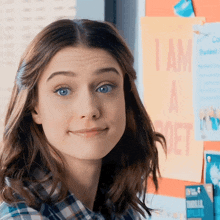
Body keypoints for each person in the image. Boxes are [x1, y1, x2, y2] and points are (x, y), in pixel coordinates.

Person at [0, 19, 166, 219]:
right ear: (34, 108)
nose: (89, 110)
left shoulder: (119, 208)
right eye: (63, 90)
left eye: (104, 87)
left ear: (125, 97)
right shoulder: (22, 215)